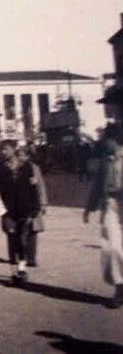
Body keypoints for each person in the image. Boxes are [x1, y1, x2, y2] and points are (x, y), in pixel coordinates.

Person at [0, 140, 41, 287]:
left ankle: (22, 269)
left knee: (23, 239)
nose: (4, 152)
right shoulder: (0, 169)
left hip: (24, 208)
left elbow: (33, 189)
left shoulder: (27, 167)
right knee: (11, 240)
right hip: (8, 210)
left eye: (6, 149)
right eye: (2, 150)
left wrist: (35, 208)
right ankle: (13, 273)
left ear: (13, 150)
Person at [84, 124, 123, 308]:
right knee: (112, 247)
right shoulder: (105, 161)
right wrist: (89, 208)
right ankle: (119, 287)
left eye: (106, 139)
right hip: (110, 205)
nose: (104, 142)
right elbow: (98, 187)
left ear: (114, 140)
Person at [18, 145, 48, 267]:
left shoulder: (35, 169)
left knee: (33, 231)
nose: (21, 157)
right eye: (19, 155)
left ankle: (32, 258)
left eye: (23, 155)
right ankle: (23, 256)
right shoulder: (17, 168)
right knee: (22, 231)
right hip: (21, 204)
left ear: (28, 156)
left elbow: (41, 186)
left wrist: (43, 203)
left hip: (34, 204)